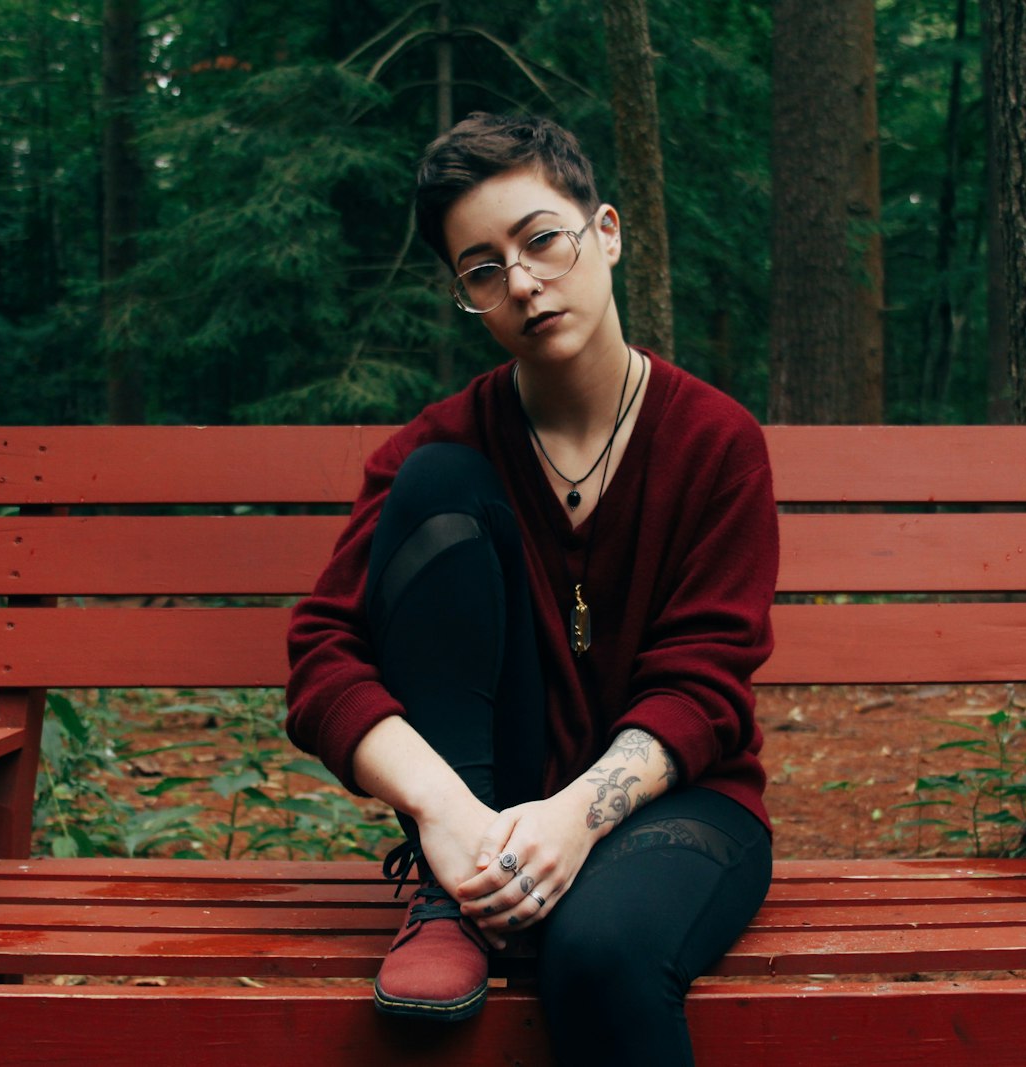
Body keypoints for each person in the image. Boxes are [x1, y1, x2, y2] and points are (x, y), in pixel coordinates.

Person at [285, 112, 778, 1066]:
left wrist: (573, 817)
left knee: (601, 949)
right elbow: (323, 657)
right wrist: (451, 820)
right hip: (482, 813)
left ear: (607, 232)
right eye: (481, 268)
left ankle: (497, 885)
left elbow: (706, 683)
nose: (520, 281)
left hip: (682, 804)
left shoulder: (716, 443)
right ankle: (451, 898)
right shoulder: (436, 447)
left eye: (540, 239)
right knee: (439, 483)